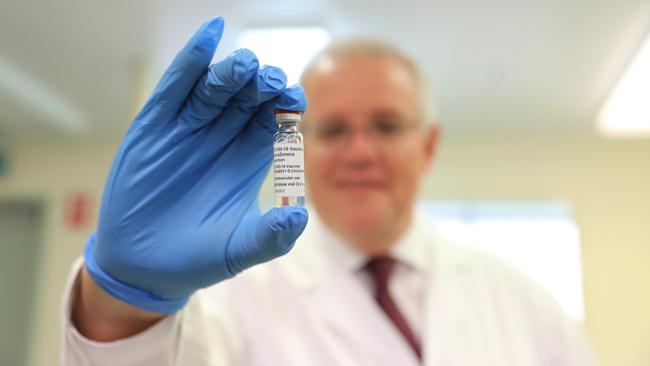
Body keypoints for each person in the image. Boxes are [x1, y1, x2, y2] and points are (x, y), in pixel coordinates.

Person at [61, 17, 597, 365]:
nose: (360, 152)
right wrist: (122, 298)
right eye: (334, 129)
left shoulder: (524, 300)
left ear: (428, 145)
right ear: (297, 147)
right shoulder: (225, 297)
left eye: (387, 126)